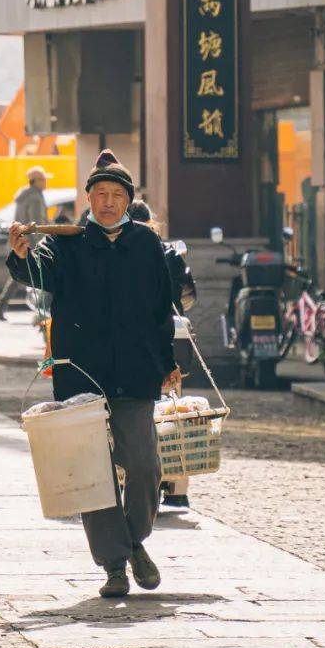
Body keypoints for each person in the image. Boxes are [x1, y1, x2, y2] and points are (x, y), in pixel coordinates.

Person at [7, 149, 179, 600]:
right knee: (93, 472)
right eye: (99, 194)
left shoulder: (145, 244)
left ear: (127, 200)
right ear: (88, 199)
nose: (107, 202)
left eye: (116, 195)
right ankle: (115, 565)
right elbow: (40, 271)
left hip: (135, 371)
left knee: (143, 465)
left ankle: (135, 539)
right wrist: (22, 255)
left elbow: (163, 310)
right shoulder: (68, 241)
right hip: (81, 373)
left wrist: (168, 362)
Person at [130, 199, 197, 511]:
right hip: (170, 339)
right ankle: (177, 486)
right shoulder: (169, 253)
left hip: (130, 344)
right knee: (173, 412)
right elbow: (187, 296)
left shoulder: (122, 250)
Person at [0, 168, 49, 320]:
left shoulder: (24, 195)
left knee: (19, 276)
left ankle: (0, 306)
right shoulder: (35, 197)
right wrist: (40, 246)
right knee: (33, 276)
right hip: (31, 242)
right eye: (43, 179)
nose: (46, 182)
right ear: (35, 181)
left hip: (20, 240)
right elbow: (36, 224)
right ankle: (40, 312)